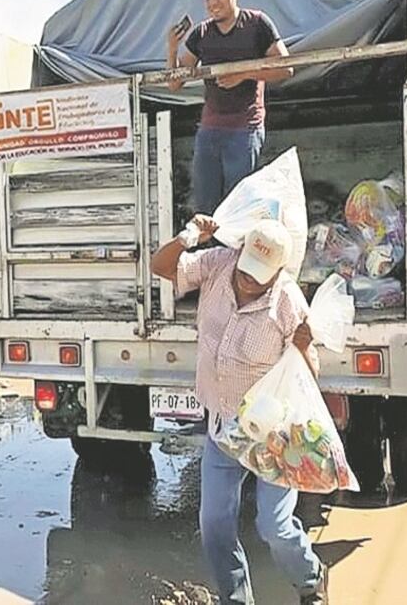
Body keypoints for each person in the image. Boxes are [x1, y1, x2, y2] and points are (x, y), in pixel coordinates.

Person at [151, 216, 328, 605]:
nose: (248, 280)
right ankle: (235, 598)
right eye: (246, 268)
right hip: (223, 425)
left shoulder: (287, 302)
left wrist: (302, 347)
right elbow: (160, 266)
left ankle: (311, 581)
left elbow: (308, 378)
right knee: (214, 524)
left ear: (278, 272)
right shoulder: (219, 263)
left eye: (259, 276)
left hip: (273, 434)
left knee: (274, 525)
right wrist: (188, 237)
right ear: (241, 251)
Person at [166, 0, 293, 215]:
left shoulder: (258, 24)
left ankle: (235, 243)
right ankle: (211, 243)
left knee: (238, 204)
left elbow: (286, 68)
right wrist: (171, 48)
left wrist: (243, 74)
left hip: (245, 128)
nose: (213, 3)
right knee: (206, 206)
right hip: (210, 129)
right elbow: (174, 83)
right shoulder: (202, 33)